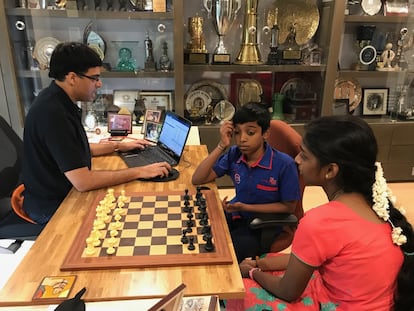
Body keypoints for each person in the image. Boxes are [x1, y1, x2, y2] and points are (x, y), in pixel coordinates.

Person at [226, 115, 414, 311]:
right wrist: (260, 264)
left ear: (330, 170)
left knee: (241, 291)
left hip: (339, 305)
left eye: (304, 156)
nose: (296, 159)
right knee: (265, 262)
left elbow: (288, 291)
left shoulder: (320, 221)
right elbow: (312, 255)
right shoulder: (377, 204)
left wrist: (254, 272)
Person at [22, 42, 172, 226]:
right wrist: (140, 171)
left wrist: (118, 146)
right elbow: (83, 182)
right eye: (94, 78)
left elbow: (74, 149)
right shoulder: (53, 113)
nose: (99, 84)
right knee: (129, 219)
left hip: (64, 192)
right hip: (53, 205)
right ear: (72, 78)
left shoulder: (57, 99)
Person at [192, 102, 300, 262]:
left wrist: (246, 207)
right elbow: (198, 179)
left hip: (262, 226)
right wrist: (222, 145)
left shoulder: (284, 164)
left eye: (250, 133)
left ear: (265, 134)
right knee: (199, 231)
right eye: (237, 133)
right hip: (237, 214)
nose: (242, 139)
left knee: (222, 252)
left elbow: (289, 207)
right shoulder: (235, 154)